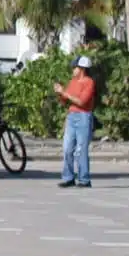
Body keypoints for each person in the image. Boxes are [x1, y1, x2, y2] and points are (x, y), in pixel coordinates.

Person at [55, 55, 97, 189]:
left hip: (84, 116)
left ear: (82, 69)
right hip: (71, 116)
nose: (73, 70)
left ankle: (84, 179)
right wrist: (60, 93)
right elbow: (65, 100)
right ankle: (68, 177)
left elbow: (82, 101)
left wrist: (64, 93)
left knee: (81, 149)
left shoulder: (89, 82)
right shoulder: (73, 81)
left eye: (75, 67)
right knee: (67, 148)